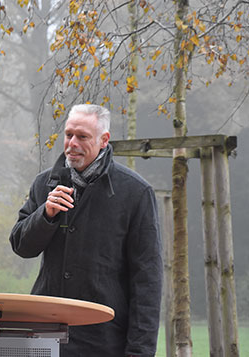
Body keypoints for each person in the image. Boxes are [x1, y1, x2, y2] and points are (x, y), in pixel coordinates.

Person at [9, 104, 162, 356]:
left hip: (104, 339)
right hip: (45, 336)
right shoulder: (44, 184)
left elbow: (147, 279)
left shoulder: (135, 192)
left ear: (104, 140)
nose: (72, 144)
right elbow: (21, 246)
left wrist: (140, 351)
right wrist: (45, 215)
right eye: (69, 135)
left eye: (82, 137)